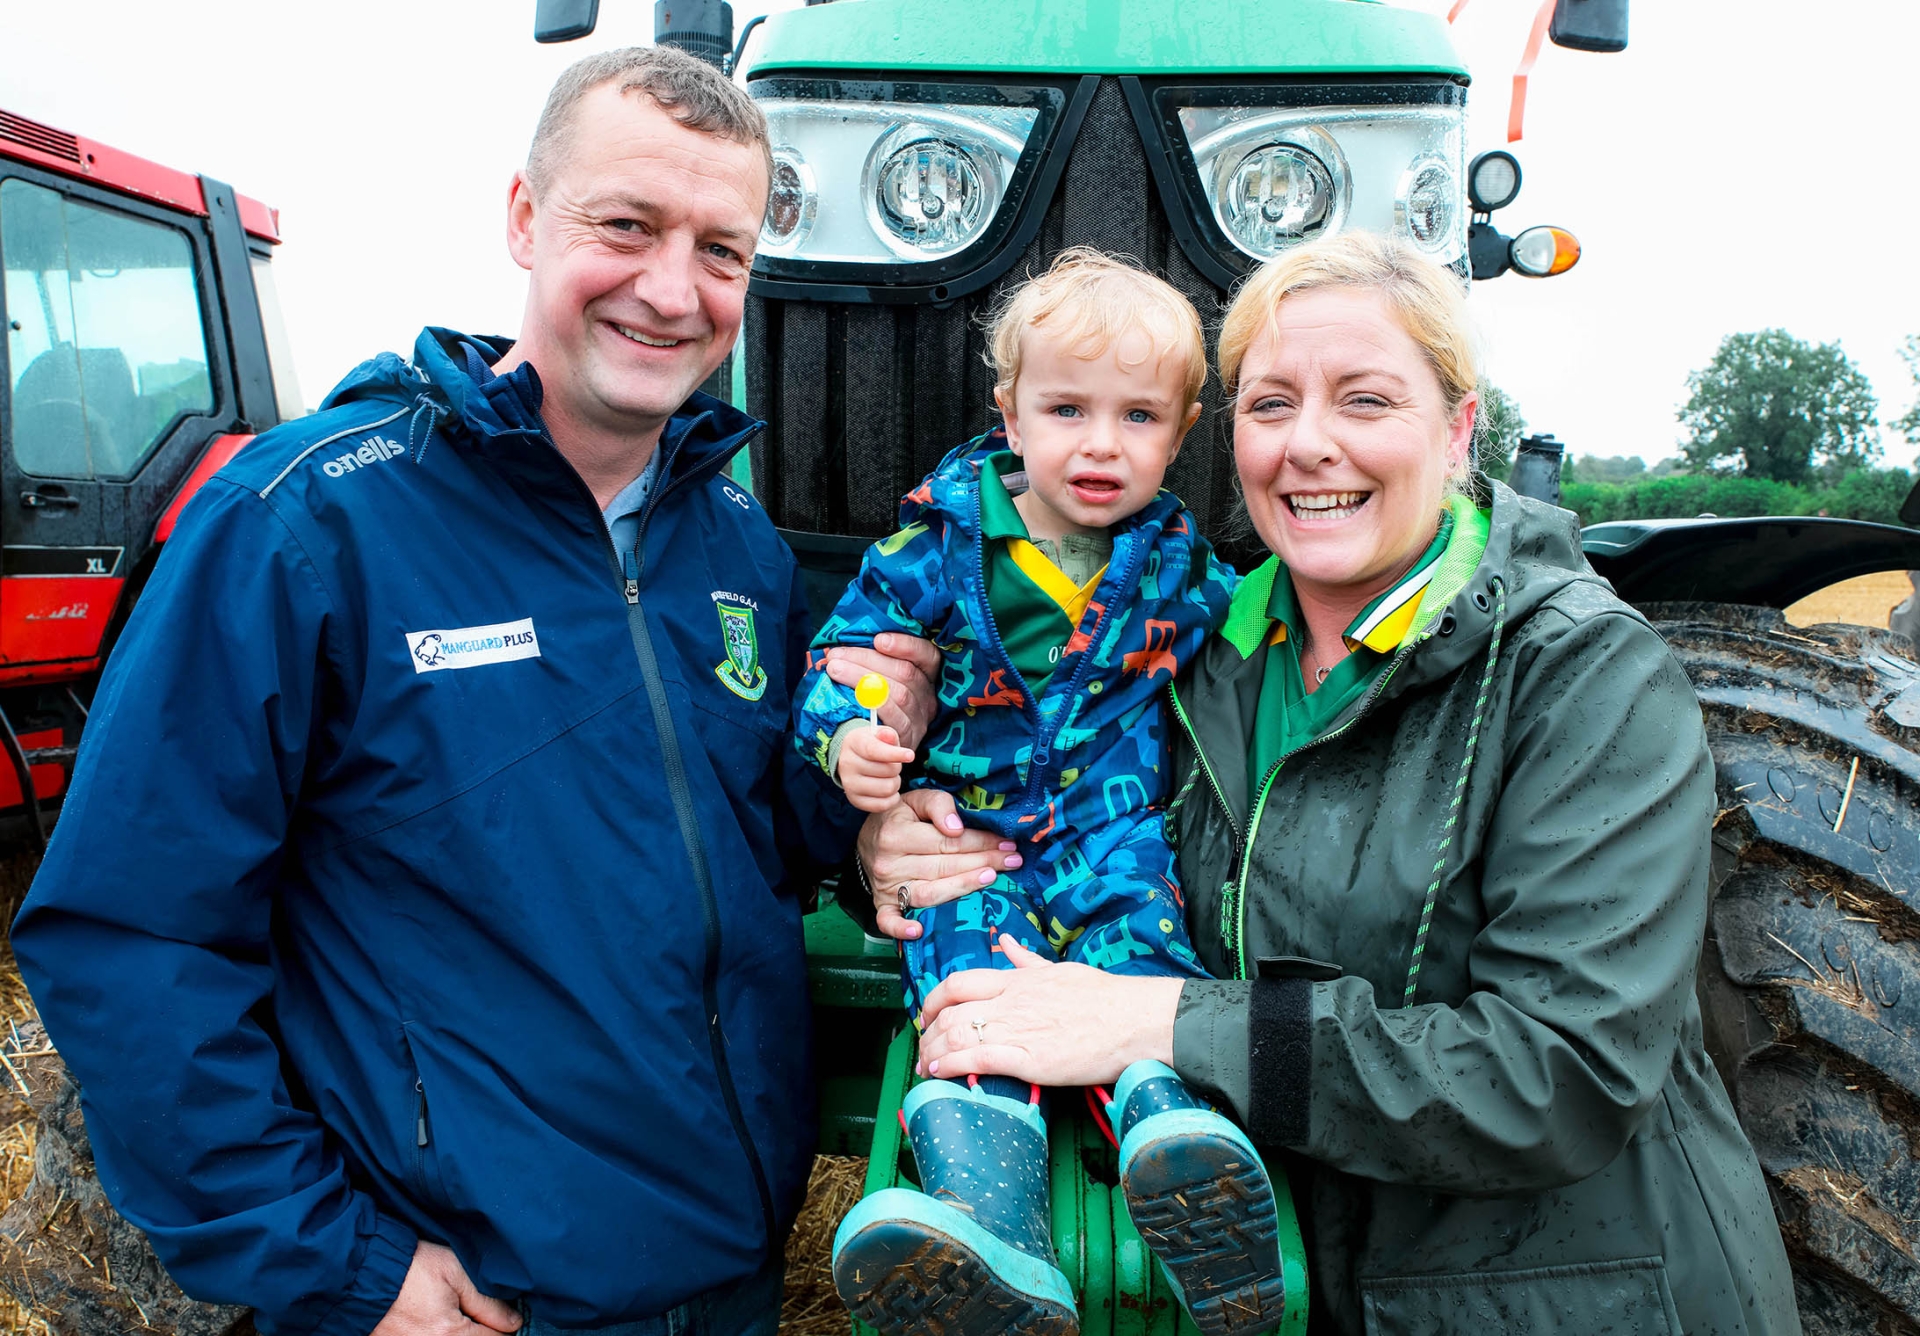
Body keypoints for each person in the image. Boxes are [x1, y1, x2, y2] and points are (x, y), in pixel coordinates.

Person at [11, 47, 939, 1336]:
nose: (673, 290)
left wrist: (868, 798)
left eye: (721, 252)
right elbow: (129, 937)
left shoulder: (735, 541)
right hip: (470, 1298)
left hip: (726, 1271)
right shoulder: (302, 524)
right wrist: (344, 1265)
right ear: (523, 218)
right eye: (626, 226)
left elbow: (752, 834)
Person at [853, 232, 1801, 1335]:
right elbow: (1041, 787)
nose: (1309, 445)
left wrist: (1168, 1025)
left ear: (1457, 433)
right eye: (1271, 405)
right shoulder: (1193, 652)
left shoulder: (1582, 674)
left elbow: (1561, 1072)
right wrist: (895, 835)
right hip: (1304, 1290)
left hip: (1562, 1303)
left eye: (1364, 400)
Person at [794, 250, 1289, 1336]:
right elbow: (849, 667)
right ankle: (997, 1235)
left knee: (1142, 956)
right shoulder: (935, 549)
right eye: (1067, 408)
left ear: (1184, 428)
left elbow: (1266, 651)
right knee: (967, 995)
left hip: (1113, 837)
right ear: (1010, 414)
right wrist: (856, 750)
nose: (1102, 444)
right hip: (968, 842)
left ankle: (1182, 1148)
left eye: (1138, 417)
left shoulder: (1184, 567)